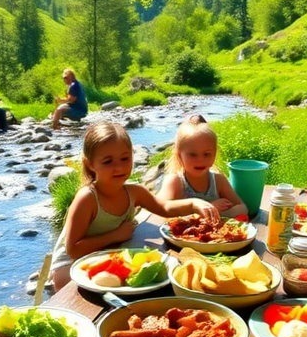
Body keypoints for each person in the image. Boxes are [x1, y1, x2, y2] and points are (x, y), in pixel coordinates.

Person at [50, 122, 220, 290]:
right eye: (108, 161)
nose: (119, 167)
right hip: (70, 268)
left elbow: (164, 208)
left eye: (125, 158)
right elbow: (73, 250)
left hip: (106, 255)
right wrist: (115, 235)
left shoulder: (134, 191)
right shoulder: (87, 198)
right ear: (90, 164)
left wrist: (193, 203)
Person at [156, 114, 247, 217]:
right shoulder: (175, 181)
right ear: (179, 155)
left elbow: (242, 207)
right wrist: (195, 205)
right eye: (192, 155)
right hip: (182, 231)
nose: (200, 160)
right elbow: (160, 207)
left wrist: (215, 213)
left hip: (214, 232)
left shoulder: (218, 180)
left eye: (207, 154)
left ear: (215, 154)